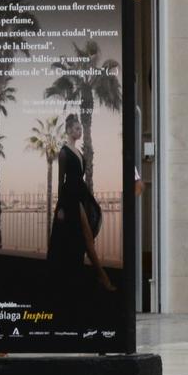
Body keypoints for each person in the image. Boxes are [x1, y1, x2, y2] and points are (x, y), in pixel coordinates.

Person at [49, 113, 115, 302]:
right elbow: (60, 181)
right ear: (69, 130)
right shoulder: (63, 152)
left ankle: (93, 278)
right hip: (70, 199)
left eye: (81, 128)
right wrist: (60, 207)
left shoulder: (79, 152)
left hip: (81, 194)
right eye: (77, 128)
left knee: (83, 240)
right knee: (86, 239)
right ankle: (103, 278)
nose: (80, 131)